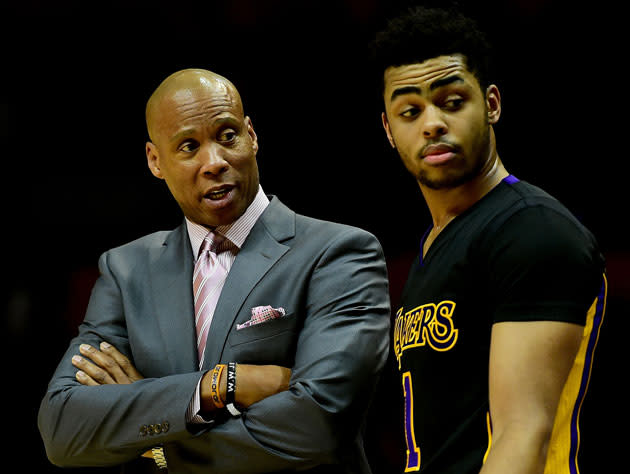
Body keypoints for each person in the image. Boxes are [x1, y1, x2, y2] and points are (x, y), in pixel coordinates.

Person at [38, 68, 391, 473]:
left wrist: (156, 447)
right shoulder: (125, 270)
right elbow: (63, 429)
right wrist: (216, 387)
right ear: (155, 161)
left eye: (227, 135)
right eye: (188, 146)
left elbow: (317, 425)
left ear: (252, 135)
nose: (214, 162)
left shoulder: (338, 252)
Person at [369, 6, 606, 474]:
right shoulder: (435, 245)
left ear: (492, 104)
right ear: (389, 131)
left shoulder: (532, 231)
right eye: (410, 111)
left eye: (452, 101)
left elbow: (522, 435)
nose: (432, 123)